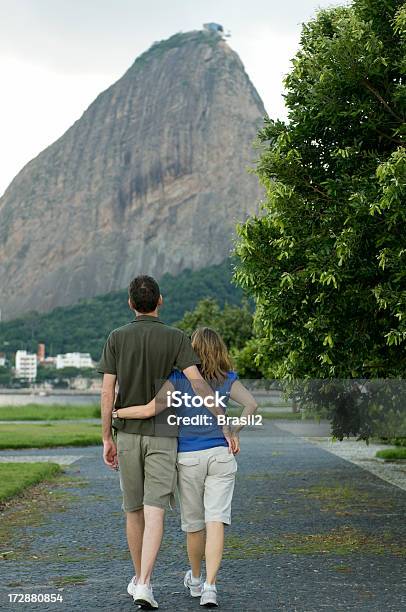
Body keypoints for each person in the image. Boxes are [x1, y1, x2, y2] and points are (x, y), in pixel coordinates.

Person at [99, 276, 227, 609]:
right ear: (160, 301)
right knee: (155, 510)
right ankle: (143, 584)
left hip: (126, 433)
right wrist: (223, 422)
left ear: (130, 303)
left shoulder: (116, 338)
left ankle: (141, 578)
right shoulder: (176, 338)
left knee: (133, 510)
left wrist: (105, 436)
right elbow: (198, 383)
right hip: (163, 436)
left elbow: (107, 392)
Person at [113, 327, 258, 607]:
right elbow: (251, 404)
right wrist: (235, 430)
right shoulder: (228, 379)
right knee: (216, 521)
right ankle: (210, 587)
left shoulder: (178, 379)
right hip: (220, 454)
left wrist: (117, 412)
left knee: (194, 525)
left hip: (188, 457)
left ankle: (194, 578)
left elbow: (148, 410)